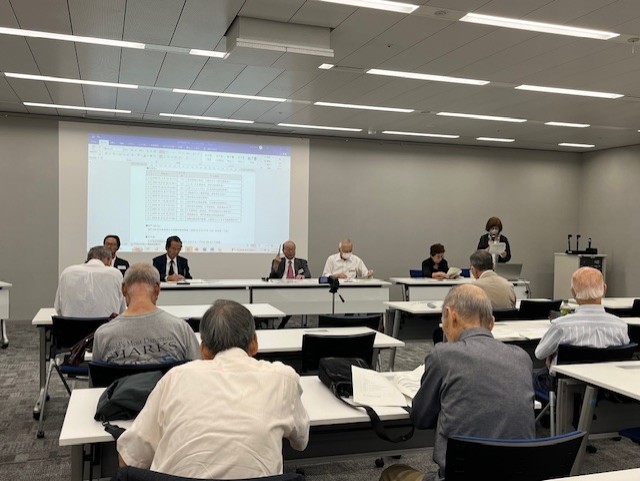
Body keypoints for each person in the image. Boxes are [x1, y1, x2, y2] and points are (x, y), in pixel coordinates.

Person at [117, 299, 310, 478]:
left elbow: (129, 458)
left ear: (203, 350)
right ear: (254, 343)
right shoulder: (283, 379)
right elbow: (301, 441)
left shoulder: (175, 378)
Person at [379, 284, 535, 481]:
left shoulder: (443, 355)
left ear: (450, 315)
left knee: (392, 473)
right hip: (519, 476)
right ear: (491, 323)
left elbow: (421, 418)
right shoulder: (522, 358)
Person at [533, 267, 630, 394]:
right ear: (604, 289)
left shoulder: (561, 325)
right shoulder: (621, 326)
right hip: (608, 391)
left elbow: (539, 354)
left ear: (573, 292)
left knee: (534, 377)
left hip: (564, 390)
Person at [92, 263, 200, 364]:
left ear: (123, 289)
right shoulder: (181, 330)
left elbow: (97, 377)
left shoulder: (103, 335)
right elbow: (197, 370)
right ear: (157, 289)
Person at [54, 246, 126, 318]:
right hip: (107, 324)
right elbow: (122, 310)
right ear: (109, 260)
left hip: (71, 324)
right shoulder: (115, 274)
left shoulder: (67, 273)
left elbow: (58, 308)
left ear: (88, 259)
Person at [268, 240, 311, 329]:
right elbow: (272, 278)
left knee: (292, 302)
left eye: (293, 250)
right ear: (283, 251)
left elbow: (308, 274)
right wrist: (275, 266)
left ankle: (282, 324)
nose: (291, 252)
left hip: (295, 290)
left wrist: (302, 276)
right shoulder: (278, 261)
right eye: (288, 250)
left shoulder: (301, 262)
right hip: (280, 289)